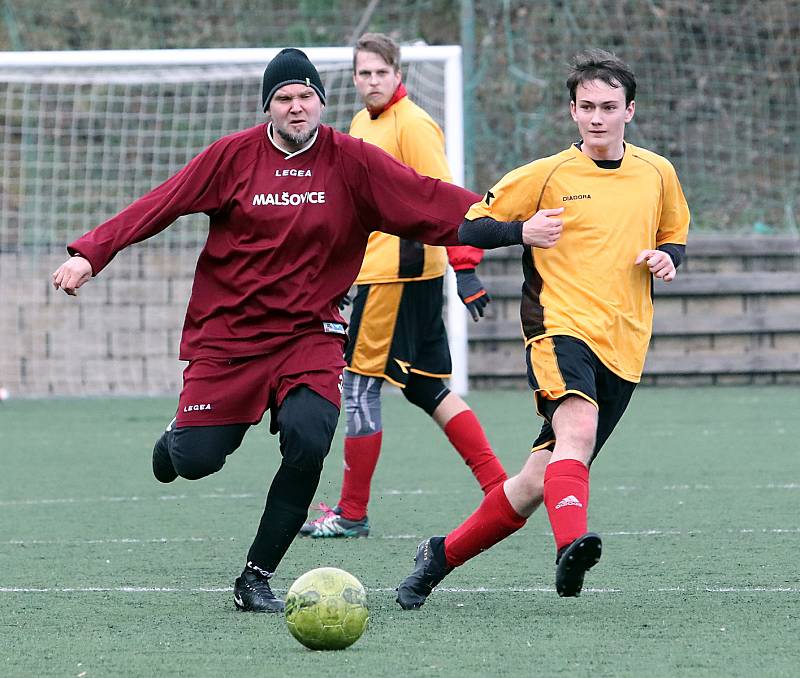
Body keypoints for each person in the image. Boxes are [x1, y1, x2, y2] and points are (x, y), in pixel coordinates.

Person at [51, 47, 485, 614]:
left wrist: (515, 225)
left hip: (312, 333)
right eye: (285, 98)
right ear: (268, 107)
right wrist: (90, 255)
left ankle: (255, 576)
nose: (297, 107)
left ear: (321, 102)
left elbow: (428, 199)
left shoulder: (350, 159)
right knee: (196, 459)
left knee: (310, 435)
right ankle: (175, 442)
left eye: (307, 96)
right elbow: (160, 203)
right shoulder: (232, 157)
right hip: (230, 337)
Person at [395, 48, 690, 608]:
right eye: (586, 107)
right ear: (572, 112)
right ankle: (571, 546)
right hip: (558, 328)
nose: (597, 117)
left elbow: (673, 230)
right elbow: (467, 227)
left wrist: (668, 257)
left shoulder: (657, 172)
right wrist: (520, 231)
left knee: (536, 481)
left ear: (631, 110)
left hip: (625, 344)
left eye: (608, 106)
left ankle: (437, 556)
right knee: (575, 435)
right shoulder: (546, 174)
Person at [299, 33, 507, 540]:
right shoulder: (357, 124)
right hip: (379, 272)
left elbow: (449, 199)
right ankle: (500, 485)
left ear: (398, 75)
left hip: (397, 274)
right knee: (425, 385)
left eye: (381, 72)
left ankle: (351, 513)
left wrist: (466, 266)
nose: (372, 81)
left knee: (360, 387)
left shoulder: (413, 124)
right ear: (353, 78)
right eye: (364, 73)